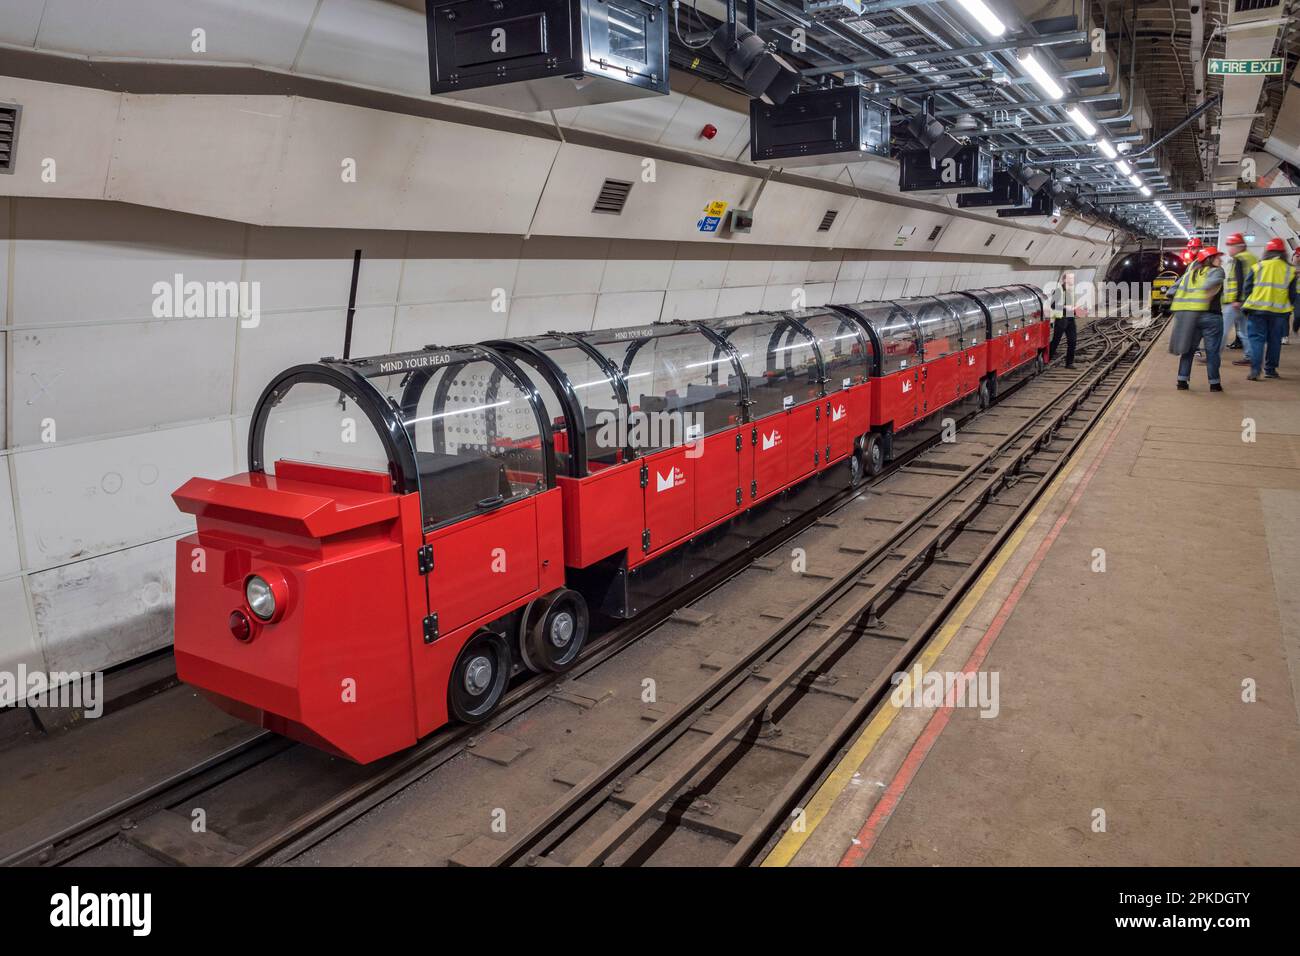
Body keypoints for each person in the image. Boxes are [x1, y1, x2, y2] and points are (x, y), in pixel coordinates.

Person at [1169, 247, 1226, 391]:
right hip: (1211, 317)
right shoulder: (1217, 271)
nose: (1221, 259)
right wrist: (1205, 289)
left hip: (1191, 316)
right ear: (1209, 259)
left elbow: (1172, 290)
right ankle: (1214, 384)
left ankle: (1182, 381)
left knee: (1188, 350)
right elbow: (1212, 282)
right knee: (1212, 351)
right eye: (1218, 257)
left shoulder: (1190, 273)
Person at [1241, 237, 1298, 381]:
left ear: (1267, 251)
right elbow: (1292, 294)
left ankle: (1255, 370)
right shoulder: (1290, 270)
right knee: (1274, 341)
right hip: (1279, 313)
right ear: (1283, 252)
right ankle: (1270, 370)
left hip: (1256, 310)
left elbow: (1247, 289)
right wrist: (1287, 307)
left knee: (1256, 340)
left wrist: (1249, 303)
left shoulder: (1258, 267)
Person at [1220, 232, 1257, 365]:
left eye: (1230, 246)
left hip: (1235, 302)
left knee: (1222, 329)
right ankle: (1250, 357)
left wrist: (1236, 299)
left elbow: (1241, 280)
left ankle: (1213, 355)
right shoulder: (1252, 257)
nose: (1229, 249)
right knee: (1244, 331)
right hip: (1247, 301)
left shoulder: (1239, 258)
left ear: (1239, 246)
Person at [1049, 271, 1078, 368]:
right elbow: (1053, 305)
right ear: (1064, 279)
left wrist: (1075, 308)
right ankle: (1046, 359)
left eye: (1073, 278)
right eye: (1070, 278)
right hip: (1061, 319)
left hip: (1070, 319)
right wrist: (1065, 307)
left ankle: (1069, 363)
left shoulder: (1071, 290)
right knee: (1056, 341)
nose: (1072, 280)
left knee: (1072, 341)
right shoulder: (1058, 290)